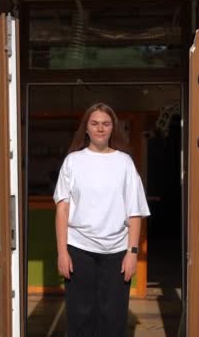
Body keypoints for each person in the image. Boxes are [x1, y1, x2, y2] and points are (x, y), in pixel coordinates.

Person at [53, 102, 150, 336]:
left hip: (117, 253)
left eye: (106, 124)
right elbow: (62, 210)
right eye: (94, 123)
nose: (100, 128)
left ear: (113, 128)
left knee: (114, 318)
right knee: (80, 316)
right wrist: (62, 252)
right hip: (79, 249)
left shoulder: (124, 163)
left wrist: (132, 252)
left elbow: (135, 212)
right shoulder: (73, 162)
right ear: (86, 128)